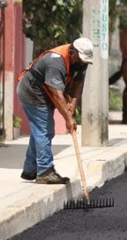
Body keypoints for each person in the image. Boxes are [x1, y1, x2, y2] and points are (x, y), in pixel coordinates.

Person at [16, 38, 93, 184]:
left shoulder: (82, 62)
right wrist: (69, 120)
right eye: (80, 59)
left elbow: (78, 86)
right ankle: (45, 171)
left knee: (40, 131)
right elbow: (57, 94)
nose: (82, 62)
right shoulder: (56, 61)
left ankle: (30, 169)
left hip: (46, 93)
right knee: (45, 130)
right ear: (72, 52)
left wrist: (72, 105)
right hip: (33, 92)